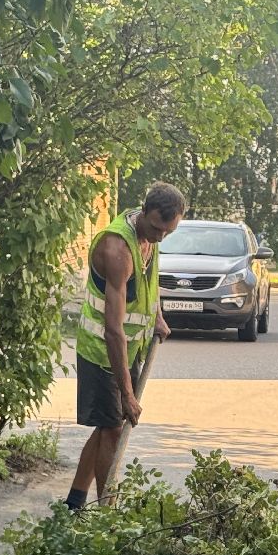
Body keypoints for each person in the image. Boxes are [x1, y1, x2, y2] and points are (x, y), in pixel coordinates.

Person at [64, 183, 186, 511]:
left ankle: (74, 502)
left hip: (128, 348)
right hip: (103, 350)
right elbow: (113, 330)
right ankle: (108, 513)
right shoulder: (117, 249)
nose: (161, 237)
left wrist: (157, 315)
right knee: (114, 429)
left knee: (107, 427)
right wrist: (128, 393)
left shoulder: (150, 236)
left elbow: (149, 278)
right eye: (158, 228)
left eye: (168, 232)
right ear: (144, 212)